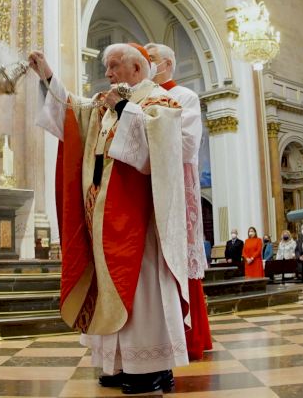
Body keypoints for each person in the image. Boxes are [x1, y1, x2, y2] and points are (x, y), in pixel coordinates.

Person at [30, 45, 188, 395]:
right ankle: (117, 363)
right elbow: (71, 112)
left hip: (141, 223)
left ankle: (151, 367)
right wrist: (48, 76)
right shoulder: (106, 103)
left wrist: (124, 109)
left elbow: (157, 155)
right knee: (108, 290)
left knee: (142, 292)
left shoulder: (160, 102)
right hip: (102, 218)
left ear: (137, 68)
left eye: (114, 66)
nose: (108, 73)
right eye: (107, 67)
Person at [147, 42, 211, 362]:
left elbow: (187, 145)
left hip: (176, 185)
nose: (149, 64)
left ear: (168, 64)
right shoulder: (142, 96)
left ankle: (190, 337)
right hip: (148, 186)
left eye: (153, 59)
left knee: (180, 259)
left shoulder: (184, 96)